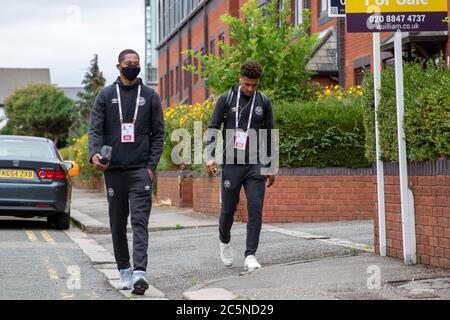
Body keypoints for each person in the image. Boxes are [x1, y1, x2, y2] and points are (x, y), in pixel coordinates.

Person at [88, 49, 164, 294]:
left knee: (140, 222)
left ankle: (140, 273)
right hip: (114, 171)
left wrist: (151, 168)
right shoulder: (106, 95)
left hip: (140, 171)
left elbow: (158, 134)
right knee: (117, 223)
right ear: (119, 66)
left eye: (136, 63)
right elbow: (95, 130)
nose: (133, 66)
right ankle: (124, 270)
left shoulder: (150, 96)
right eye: (128, 63)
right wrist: (94, 154)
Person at [206, 61, 276, 272]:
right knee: (228, 210)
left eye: (254, 85)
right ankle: (224, 239)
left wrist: (271, 165)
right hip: (232, 164)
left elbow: (269, 134)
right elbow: (212, 127)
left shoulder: (263, 101)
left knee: (256, 209)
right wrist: (210, 156)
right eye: (246, 84)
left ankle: (250, 255)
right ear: (240, 79)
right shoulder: (226, 99)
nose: (250, 88)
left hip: (255, 164)